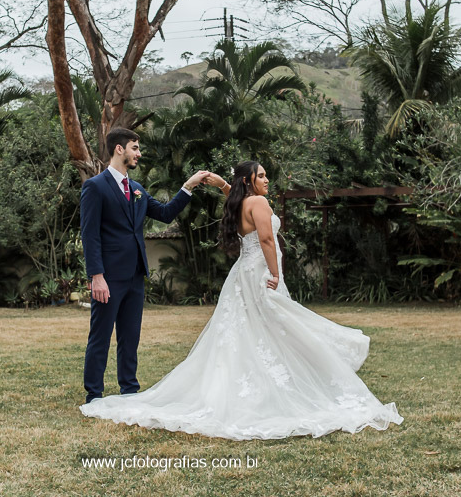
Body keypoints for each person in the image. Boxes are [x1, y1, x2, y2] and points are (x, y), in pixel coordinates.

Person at [79, 161, 403, 440]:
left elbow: (236, 199)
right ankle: (306, 373)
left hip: (243, 274)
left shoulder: (241, 202)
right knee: (278, 325)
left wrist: (222, 184)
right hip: (260, 272)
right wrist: (276, 273)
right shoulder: (259, 204)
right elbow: (265, 239)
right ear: (249, 181)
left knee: (258, 329)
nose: (266, 180)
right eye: (261, 176)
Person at [80, 127, 210, 404]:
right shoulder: (95, 186)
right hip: (109, 276)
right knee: (100, 336)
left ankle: (129, 389)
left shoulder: (137, 189)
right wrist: (96, 276)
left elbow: (164, 213)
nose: (138, 153)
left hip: (135, 274)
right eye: (135, 148)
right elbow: (89, 235)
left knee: (130, 336)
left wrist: (188, 186)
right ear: (119, 149)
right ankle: (94, 393)